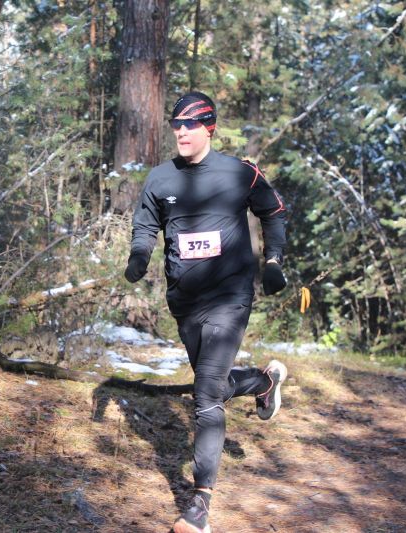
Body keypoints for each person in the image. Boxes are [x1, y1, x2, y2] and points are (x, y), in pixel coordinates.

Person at [123, 91, 289, 533]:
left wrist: (273, 260)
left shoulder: (239, 173)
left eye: (190, 125)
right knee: (211, 386)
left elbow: (274, 213)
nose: (181, 132)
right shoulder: (160, 178)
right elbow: (145, 223)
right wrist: (139, 254)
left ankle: (199, 505)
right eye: (176, 124)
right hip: (185, 301)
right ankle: (263, 381)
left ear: (208, 128)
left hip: (230, 295)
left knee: (206, 396)